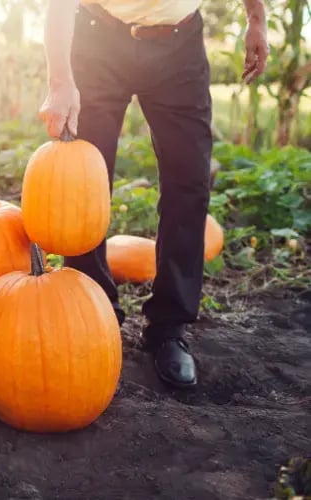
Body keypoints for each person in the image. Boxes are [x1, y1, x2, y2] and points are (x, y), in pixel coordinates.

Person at [39, 0, 268, 388]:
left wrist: (256, 19)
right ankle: (94, 314)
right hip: (98, 38)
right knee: (82, 180)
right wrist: (60, 82)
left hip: (178, 44)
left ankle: (169, 325)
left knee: (189, 180)